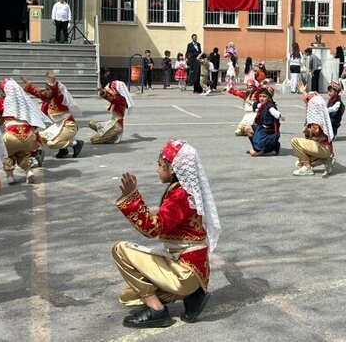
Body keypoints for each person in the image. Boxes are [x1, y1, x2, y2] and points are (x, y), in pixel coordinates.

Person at [111, 139, 219, 328]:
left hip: (184, 272)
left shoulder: (179, 196)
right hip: (195, 271)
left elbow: (152, 228)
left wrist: (132, 198)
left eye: (160, 165)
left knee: (120, 250)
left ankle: (157, 311)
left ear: (173, 169)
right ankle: (192, 296)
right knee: (128, 296)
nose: (157, 169)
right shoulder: (188, 190)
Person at [0, 78, 50, 183]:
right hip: (28, 136)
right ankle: (28, 171)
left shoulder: (4, 101)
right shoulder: (25, 101)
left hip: (11, 135)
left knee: (6, 152)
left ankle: (9, 175)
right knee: (22, 151)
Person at [23, 71, 85, 159]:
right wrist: (27, 83)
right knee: (38, 137)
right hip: (58, 126)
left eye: (48, 89)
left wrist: (53, 79)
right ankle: (60, 150)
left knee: (52, 144)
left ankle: (76, 143)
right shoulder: (47, 99)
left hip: (69, 126)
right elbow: (38, 92)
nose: (46, 91)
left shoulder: (59, 99)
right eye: (46, 89)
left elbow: (56, 90)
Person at [291, 86, 335, 176]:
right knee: (299, 163)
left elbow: (318, 136)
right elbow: (308, 98)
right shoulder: (319, 117)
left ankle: (308, 167)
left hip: (323, 148)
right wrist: (303, 91)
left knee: (295, 141)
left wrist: (309, 131)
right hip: (324, 149)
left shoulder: (316, 122)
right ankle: (326, 160)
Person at [91, 80, 133, 144]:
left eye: (113, 89)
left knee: (94, 140)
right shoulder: (118, 97)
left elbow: (111, 98)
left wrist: (104, 90)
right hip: (112, 122)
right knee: (91, 123)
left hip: (116, 125)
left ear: (118, 90)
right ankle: (108, 135)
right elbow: (111, 96)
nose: (112, 90)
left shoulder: (121, 99)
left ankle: (112, 135)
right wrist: (103, 90)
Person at [245, 84, 282, 156]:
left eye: (264, 96)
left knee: (253, 153)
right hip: (261, 130)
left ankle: (274, 148)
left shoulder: (270, 107)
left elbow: (276, 113)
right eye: (260, 96)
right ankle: (257, 147)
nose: (261, 98)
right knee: (247, 128)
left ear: (269, 97)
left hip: (269, 134)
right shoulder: (263, 105)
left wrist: (280, 116)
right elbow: (255, 106)